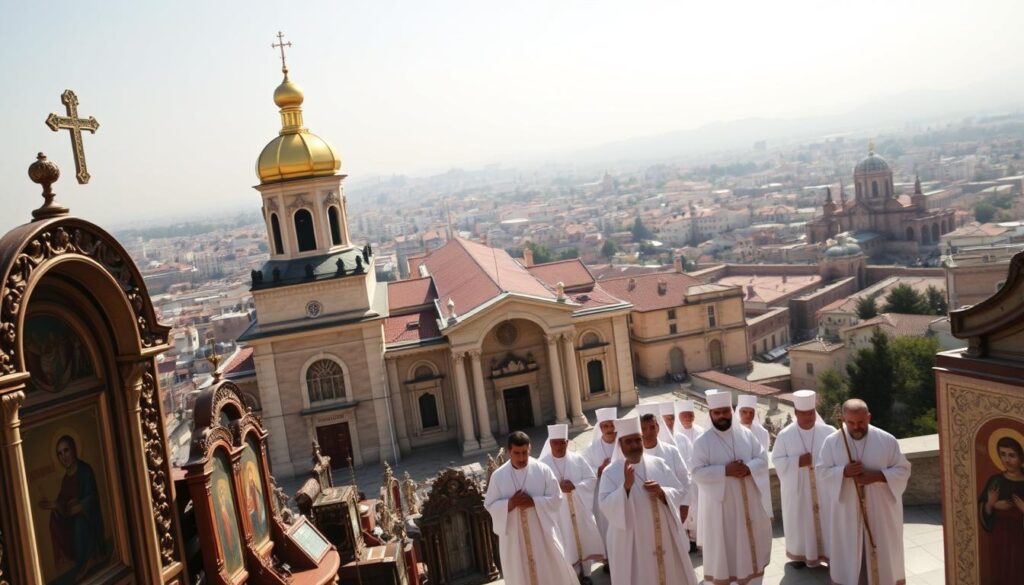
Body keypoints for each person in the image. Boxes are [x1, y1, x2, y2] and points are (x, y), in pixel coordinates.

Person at [818, 398, 911, 585]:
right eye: (850, 423)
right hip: (847, 512)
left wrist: (877, 476)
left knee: (881, 551)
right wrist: (843, 471)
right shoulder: (832, 442)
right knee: (851, 553)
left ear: (869, 417)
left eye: (861, 422)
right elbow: (821, 471)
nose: (856, 427)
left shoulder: (886, 440)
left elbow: (903, 470)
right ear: (843, 419)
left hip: (880, 512)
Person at [599, 417, 698, 585]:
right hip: (633, 541)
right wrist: (626, 488)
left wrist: (662, 492)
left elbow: (679, 491)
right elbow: (605, 504)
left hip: (663, 536)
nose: (634, 445)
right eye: (628, 442)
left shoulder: (658, 464)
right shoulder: (611, 472)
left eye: (638, 440)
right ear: (620, 445)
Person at [692, 390, 772, 584]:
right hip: (722, 508)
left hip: (749, 506)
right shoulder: (703, 442)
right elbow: (696, 472)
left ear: (731, 411)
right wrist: (725, 471)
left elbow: (762, 459)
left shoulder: (746, 434)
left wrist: (748, 468)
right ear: (710, 414)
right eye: (716, 412)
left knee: (750, 548)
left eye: (725, 411)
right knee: (726, 549)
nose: (721, 416)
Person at [484, 431, 579, 585]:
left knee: (551, 571)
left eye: (525, 453)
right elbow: (489, 505)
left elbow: (557, 498)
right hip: (514, 539)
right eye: (517, 453)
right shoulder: (498, 476)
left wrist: (534, 502)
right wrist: (510, 503)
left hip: (541, 534)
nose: (521, 458)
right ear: (509, 452)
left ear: (530, 449)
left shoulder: (543, 470)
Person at [771, 390, 833, 568]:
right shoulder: (785, 435)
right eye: (804, 413)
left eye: (811, 412)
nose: (809, 417)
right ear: (796, 413)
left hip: (824, 489)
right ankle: (800, 555)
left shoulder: (828, 431)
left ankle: (829, 553)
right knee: (800, 520)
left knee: (827, 519)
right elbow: (777, 460)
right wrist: (798, 461)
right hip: (798, 490)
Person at [539, 424, 605, 584]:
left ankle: (586, 574)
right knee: (566, 541)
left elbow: (591, 480)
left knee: (583, 537)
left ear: (567, 442)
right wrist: (559, 489)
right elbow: (540, 491)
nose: (560, 446)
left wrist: (575, 486)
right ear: (550, 443)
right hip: (559, 514)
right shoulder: (542, 465)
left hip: (579, 509)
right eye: (556, 442)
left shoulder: (577, 459)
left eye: (563, 442)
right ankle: (571, 576)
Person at [39, 435, 107, 582]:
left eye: (66, 451)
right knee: (54, 519)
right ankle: (78, 561)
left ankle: (89, 558)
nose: (64, 457)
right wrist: (54, 505)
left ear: (74, 450)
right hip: (72, 519)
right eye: (60, 454)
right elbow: (63, 505)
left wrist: (80, 505)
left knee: (79, 523)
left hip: (89, 522)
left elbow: (92, 499)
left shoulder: (85, 471)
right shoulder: (65, 479)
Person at [979, 435, 1024, 585]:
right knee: (1001, 569)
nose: (1007, 460)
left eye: (1012, 455)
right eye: (1003, 454)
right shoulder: (995, 481)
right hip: (999, 537)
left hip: (1020, 536)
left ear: (1021, 457)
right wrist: (991, 505)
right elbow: (983, 510)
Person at [637, 404, 691, 527]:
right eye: (644, 428)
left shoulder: (672, 451)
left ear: (658, 427)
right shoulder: (634, 457)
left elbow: (685, 480)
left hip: (672, 510)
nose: (649, 432)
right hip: (644, 516)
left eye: (652, 427)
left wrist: (685, 505)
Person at [581, 407, 617, 543]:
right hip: (601, 495)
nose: (609, 429)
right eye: (605, 426)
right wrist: (599, 470)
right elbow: (584, 472)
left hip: (623, 493)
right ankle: (608, 559)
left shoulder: (624, 444)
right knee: (605, 526)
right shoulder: (590, 450)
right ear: (600, 428)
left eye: (612, 425)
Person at [675, 399, 703, 544]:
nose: (687, 418)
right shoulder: (676, 434)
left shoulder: (700, 431)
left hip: (697, 478)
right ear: (678, 417)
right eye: (684, 415)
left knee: (697, 509)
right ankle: (686, 540)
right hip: (682, 479)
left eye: (690, 415)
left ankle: (696, 538)